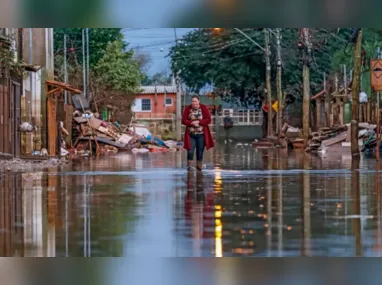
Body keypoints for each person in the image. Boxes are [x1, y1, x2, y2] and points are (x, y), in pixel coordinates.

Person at [182, 95, 214, 171]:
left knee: (200, 152)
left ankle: (199, 167)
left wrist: (199, 122)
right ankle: (189, 166)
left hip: (201, 134)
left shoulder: (203, 108)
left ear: (199, 101)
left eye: (195, 101)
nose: (194, 103)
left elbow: (208, 119)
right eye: (193, 101)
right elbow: (183, 120)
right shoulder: (188, 109)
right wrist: (192, 123)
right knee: (190, 151)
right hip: (191, 135)